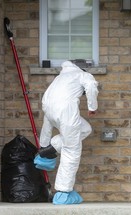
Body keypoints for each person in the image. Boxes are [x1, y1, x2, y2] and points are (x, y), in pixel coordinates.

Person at [34, 60, 99, 205]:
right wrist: (92, 106)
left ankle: (48, 150)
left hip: (50, 110)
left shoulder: (59, 78)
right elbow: (91, 86)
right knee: (72, 150)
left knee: (85, 129)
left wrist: (43, 144)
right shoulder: (82, 75)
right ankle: (63, 193)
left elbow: (47, 120)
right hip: (67, 113)